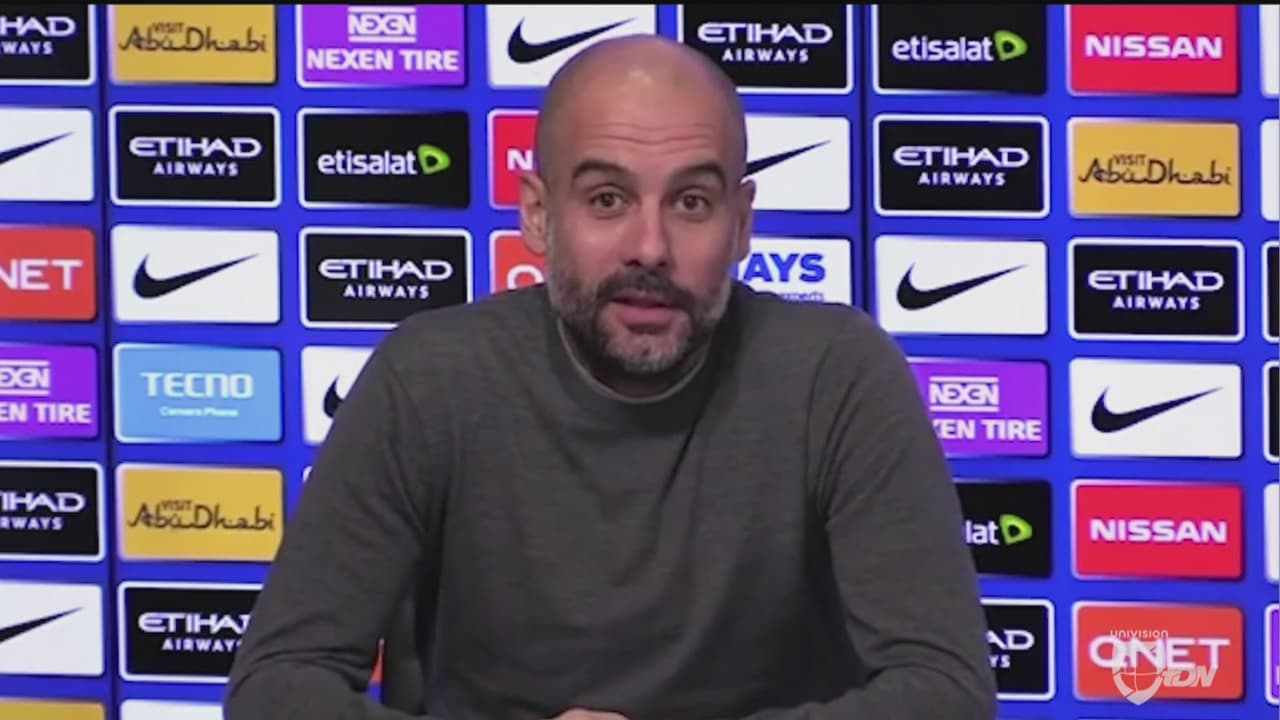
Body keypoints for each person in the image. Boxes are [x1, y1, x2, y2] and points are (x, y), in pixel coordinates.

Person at [224, 34, 997, 720]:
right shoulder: (430, 378)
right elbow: (273, 689)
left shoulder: (837, 376)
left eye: (691, 202)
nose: (649, 247)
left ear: (742, 223)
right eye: (606, 199)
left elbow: (947, 692)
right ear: (537, 214)